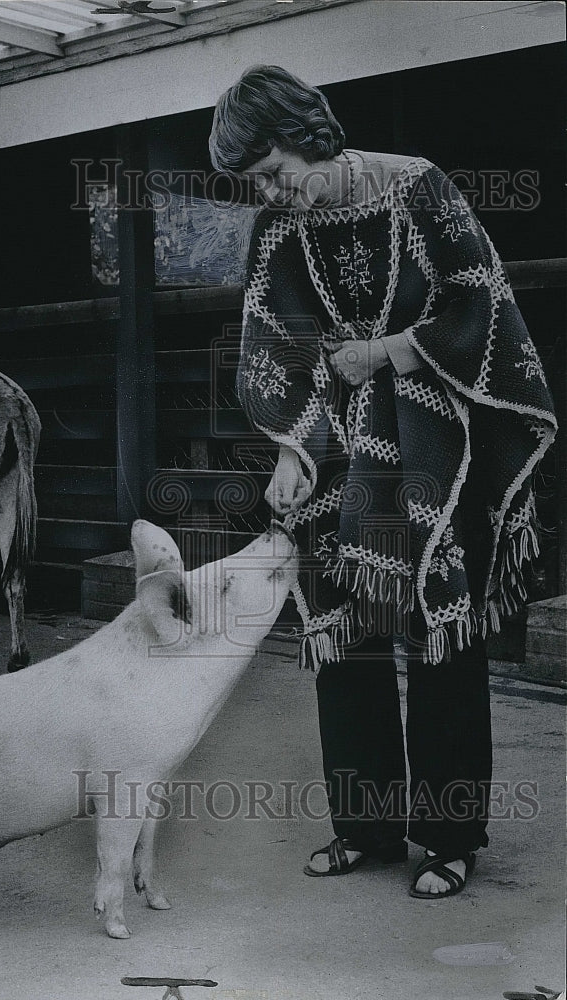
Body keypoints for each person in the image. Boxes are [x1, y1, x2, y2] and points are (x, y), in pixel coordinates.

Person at [208, 65, 557, 898]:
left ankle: (448, 838)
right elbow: (273, 345)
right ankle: (363, 824)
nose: (270, 192)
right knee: (348, 632)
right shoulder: (278, 231)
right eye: (254, 183)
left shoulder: (419, 187)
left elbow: (481, 304)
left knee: (443, 632)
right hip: (338, 451)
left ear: (307, 132)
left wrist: (388, 352)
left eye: (272, 171)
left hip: (439, 444)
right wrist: (292, 451)